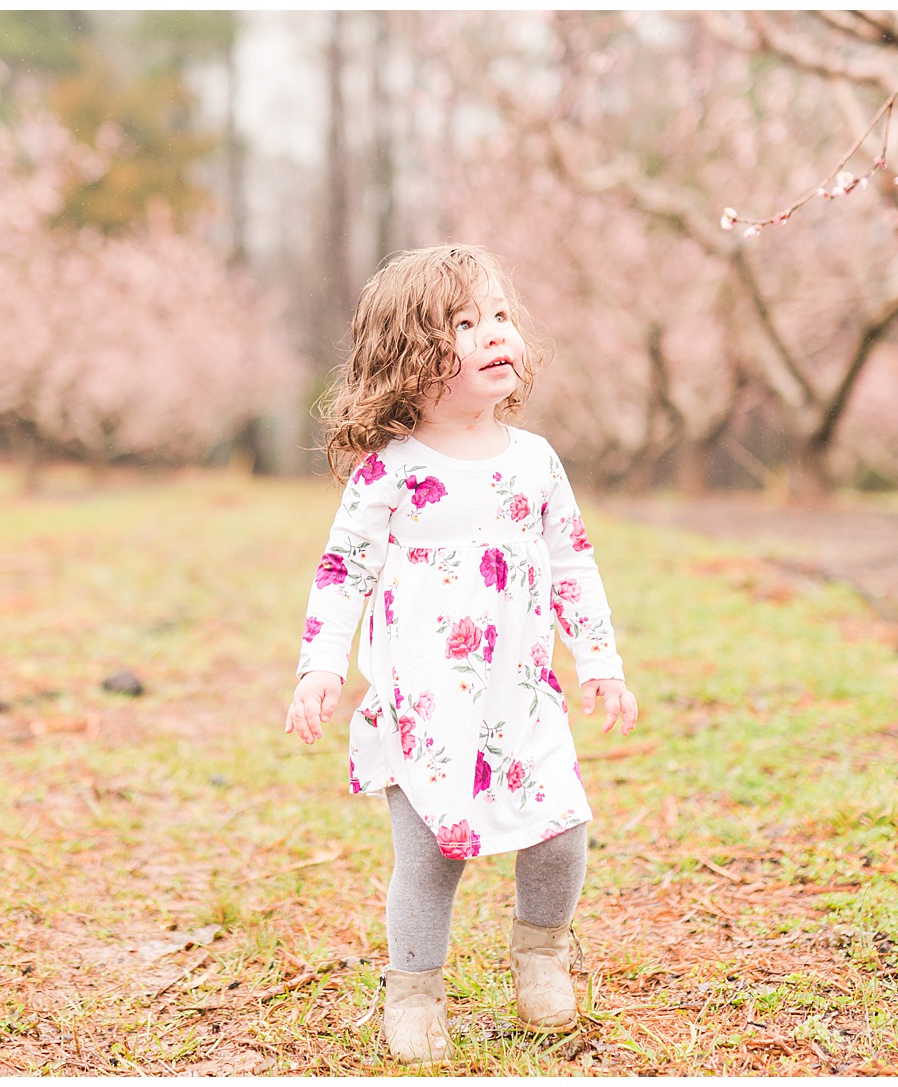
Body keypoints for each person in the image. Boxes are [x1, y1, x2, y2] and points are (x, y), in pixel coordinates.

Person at [285, 244, 640, 1063]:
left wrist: (600, 659)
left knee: (561, 830)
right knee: (431, 854)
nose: (495, 334)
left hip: (521, 692)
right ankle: (414, 991)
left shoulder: (536, 461)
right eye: (465, 324)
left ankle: (542, 952)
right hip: (427, 703)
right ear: (412, 354)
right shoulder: (391, 472)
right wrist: (322, 665)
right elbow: (345, 571)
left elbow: (572, 562)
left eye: (501, 316)